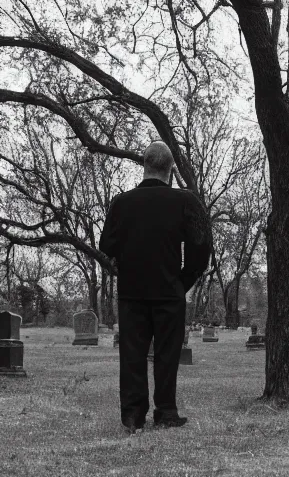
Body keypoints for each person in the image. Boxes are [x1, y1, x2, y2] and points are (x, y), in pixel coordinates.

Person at [99, 141, 211, 433]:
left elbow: (106, 245)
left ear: (145, 165)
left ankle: (133, 416)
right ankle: (166, 412)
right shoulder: (186, 201)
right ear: (171, 169)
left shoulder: (121, 202)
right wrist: (182, 282)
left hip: (132, 292)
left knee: (133, 355)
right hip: (168, 292)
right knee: (167, 354)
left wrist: (125, 262)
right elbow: (201, 247)